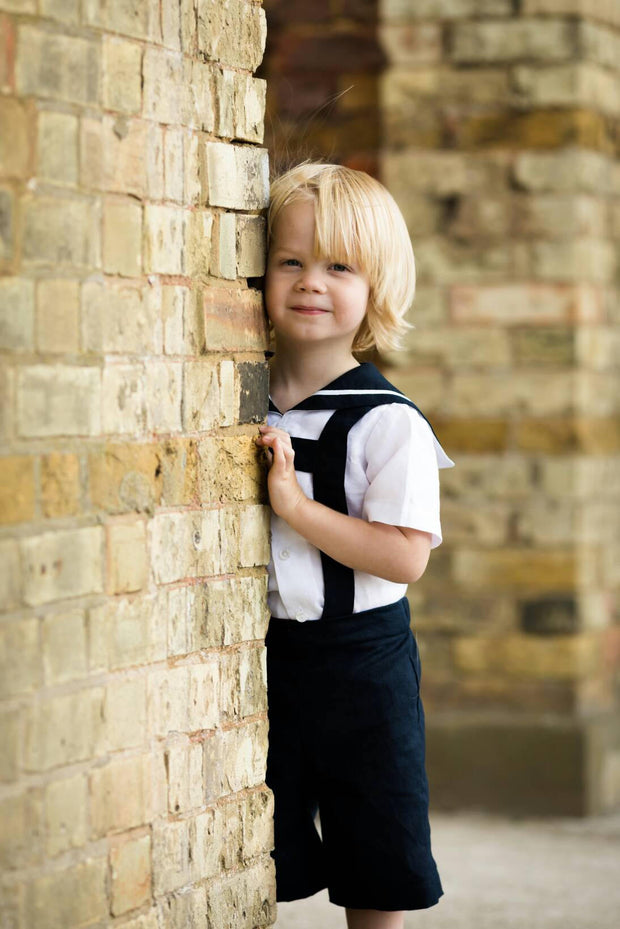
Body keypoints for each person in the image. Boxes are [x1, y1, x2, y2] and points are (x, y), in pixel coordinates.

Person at [255, 163, 454, 929]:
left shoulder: (387, 421)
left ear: (377, 286)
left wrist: (298, 510)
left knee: (376, 837)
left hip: (362, 658)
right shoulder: (244, 392)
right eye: (292, 261)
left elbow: (405, 555)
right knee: (260, 835)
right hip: (272, 652)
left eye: (340, 266)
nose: (311, 282)